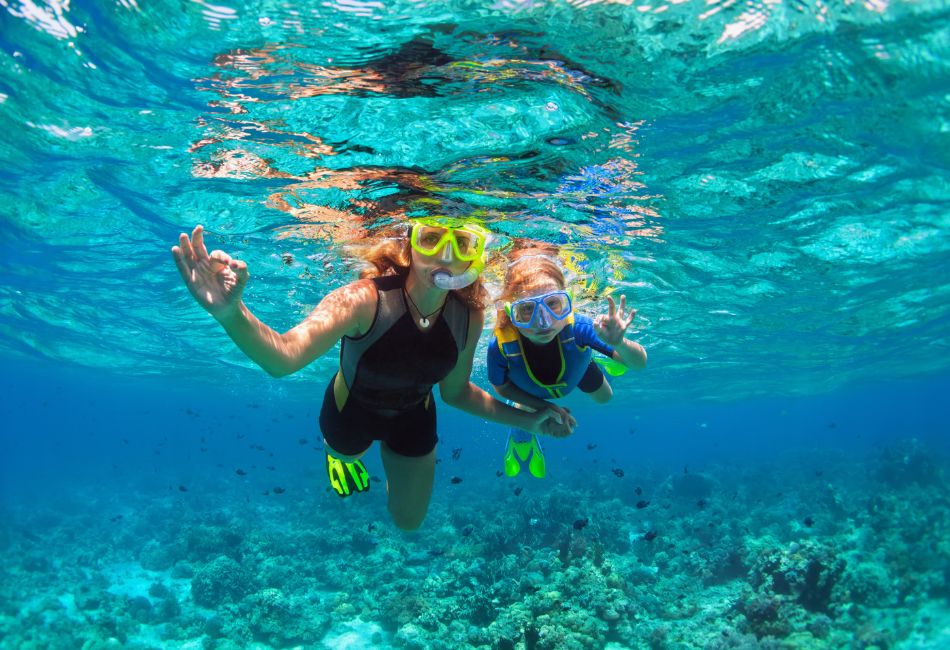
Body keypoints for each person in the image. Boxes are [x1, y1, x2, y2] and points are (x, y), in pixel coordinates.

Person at [171, 220, 568, 530]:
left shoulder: (470, 316)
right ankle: (338, 456)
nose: (445, 255)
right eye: (431, 239)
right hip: (351, 412)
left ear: (475, 257)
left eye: (462, 243)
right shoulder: (364, 298)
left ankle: (378, 465)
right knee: (346, 454)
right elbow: (284, 358)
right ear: (410, 246)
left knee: (408, 522)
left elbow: (456, 393)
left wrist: (530, 420)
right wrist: (230, 313)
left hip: (414, 417)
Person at [487, 247, 647, 479]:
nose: (543, 322)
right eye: (527, 309)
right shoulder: (500, 346)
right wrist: (545, 408)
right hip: (527, 389)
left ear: (568, 301)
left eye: (553, 304)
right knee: (523, 411)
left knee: (605, 397)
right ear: (511, 312)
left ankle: (604, 353)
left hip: (577, 368)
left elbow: (639, 363)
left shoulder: (580, 327)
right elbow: (501, 388)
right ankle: (521, 437)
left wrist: (620, 344)